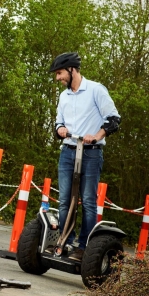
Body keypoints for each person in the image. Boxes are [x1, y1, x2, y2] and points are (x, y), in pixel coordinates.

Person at [50, 52, 121, 261]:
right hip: (68, 152)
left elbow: (114, 119)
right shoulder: (64, 96)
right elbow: (57, 124)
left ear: (72, 70)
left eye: (60, 73)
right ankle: (64, 241)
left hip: (91, 153)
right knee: (64, 200)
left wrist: (97, 136)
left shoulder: (96, 91)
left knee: (88, 201)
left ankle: (84, 247)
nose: (57, 78)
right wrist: (61, 129)